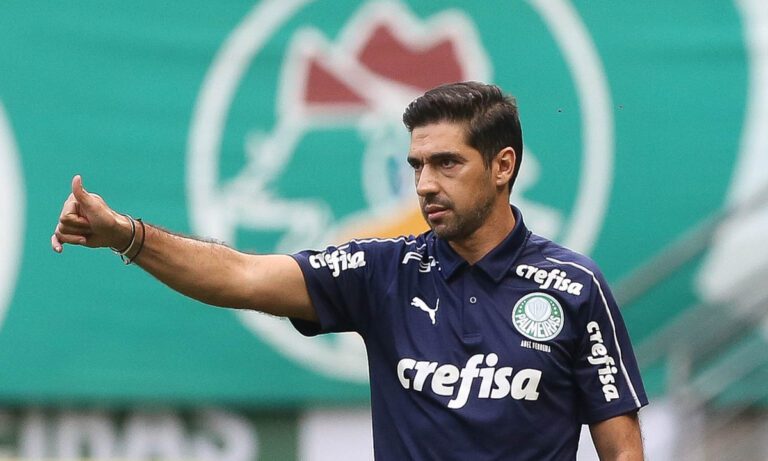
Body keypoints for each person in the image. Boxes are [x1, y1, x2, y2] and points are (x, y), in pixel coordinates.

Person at [52, 82, 647, 460]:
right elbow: (241, 277)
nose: (424, 184)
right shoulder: (382, 270)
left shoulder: (575, 286)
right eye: (416, 165)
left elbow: (622, 451)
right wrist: (125, 234)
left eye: (446, 163)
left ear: (503, 166)